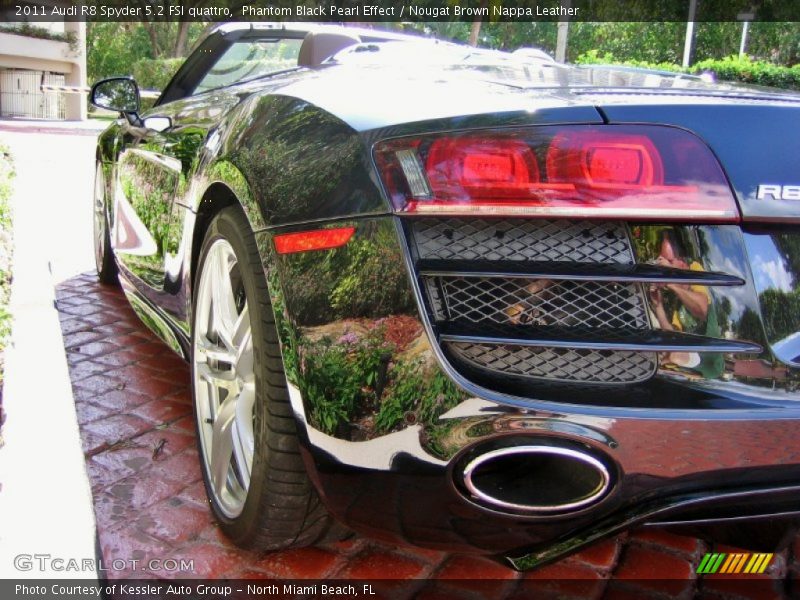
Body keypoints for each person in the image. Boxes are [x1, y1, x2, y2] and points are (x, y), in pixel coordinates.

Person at [649, 230, 724, 378]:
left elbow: (702, 309)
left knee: (672, 356)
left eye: (669, 261)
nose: (663, 267)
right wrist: (658, 306)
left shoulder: (695, 270)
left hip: (712, 363)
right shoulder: (675, 300)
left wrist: (672, 283)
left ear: (682, 262)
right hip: (693, 366)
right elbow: (673, 336)